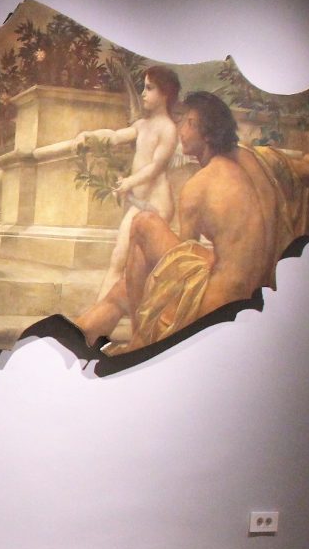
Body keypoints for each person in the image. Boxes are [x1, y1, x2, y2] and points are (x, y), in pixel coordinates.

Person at [73, 91, 288, 352]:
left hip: (217, 302)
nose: (180, 129)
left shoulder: (197, 187)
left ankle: (138, 341)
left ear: (204, 132)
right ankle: (83, 333)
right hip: (255, 291)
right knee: (130, 279)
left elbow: (178, 268)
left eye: (187, 122)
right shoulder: (250, 161)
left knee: (143, 223)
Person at [64, 65, 183, 299]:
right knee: (120, 259)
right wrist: (89, 136)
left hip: (157, 206)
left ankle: (113, 312)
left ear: (165, 94)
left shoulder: (168, 129)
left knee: (143, 264)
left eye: (149, 88)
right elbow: (115, 136)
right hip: (139, 204)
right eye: (143, 88)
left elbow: (156, 167)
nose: (143, 93)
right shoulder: (142, 125)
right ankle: (99, 312)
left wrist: (129, 182)